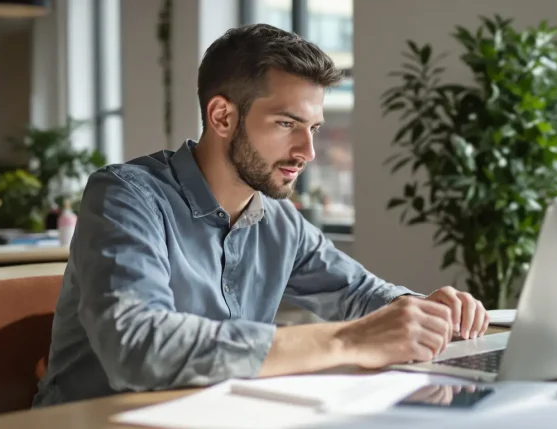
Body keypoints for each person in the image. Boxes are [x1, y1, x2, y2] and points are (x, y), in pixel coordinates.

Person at [32, 24, 489, 407]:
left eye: (313, 129)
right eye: (287, 124)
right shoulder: (126, 196)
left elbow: (362, 295)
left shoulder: (278, 220)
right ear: (222, 116)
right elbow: (136, 346)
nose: (308, 152)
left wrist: (426, 310)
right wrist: (346, 341)